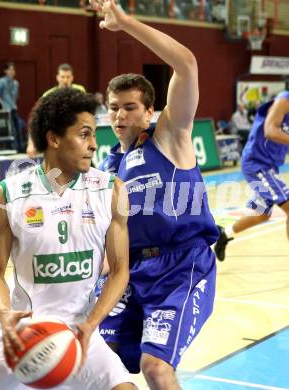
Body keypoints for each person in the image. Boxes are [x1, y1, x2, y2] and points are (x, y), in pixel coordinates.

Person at [0, 88, 135, 390]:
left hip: (78, 327)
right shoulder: (8, 194)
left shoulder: (111, 190)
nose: (94, 144)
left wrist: (91, 323)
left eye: (94, 135)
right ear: (54, 138)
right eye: (84, 135)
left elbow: (120, 270)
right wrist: (5, 314)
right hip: (23, 333)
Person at [90, 1, 219, 389]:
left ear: (149, 111)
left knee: (156, 368)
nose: (120, 116)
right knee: (96, 359)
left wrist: (126, 23)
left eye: (130, 107)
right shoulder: (109, 165)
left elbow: (188, 65)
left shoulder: (169, 134)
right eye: (114, 108)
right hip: (131, 272)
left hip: (181, 267)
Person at [215, 92, 289, 261]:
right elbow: (270, 131)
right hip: (257, 163)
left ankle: (224, 235)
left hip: (270, 166)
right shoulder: (285, 100)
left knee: (262, 214)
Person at [0, 62, 23, 152]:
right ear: (5, 71)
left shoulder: (15, 83)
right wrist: (1, 106)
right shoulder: (1, 82)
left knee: (18, 127)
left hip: (13, 107)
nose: (12, 71)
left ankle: (20, 148)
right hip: (5, 109)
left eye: (13, 70)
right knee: (11, 129)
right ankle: (13, 148)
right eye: (10, 69)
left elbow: (16, 96)